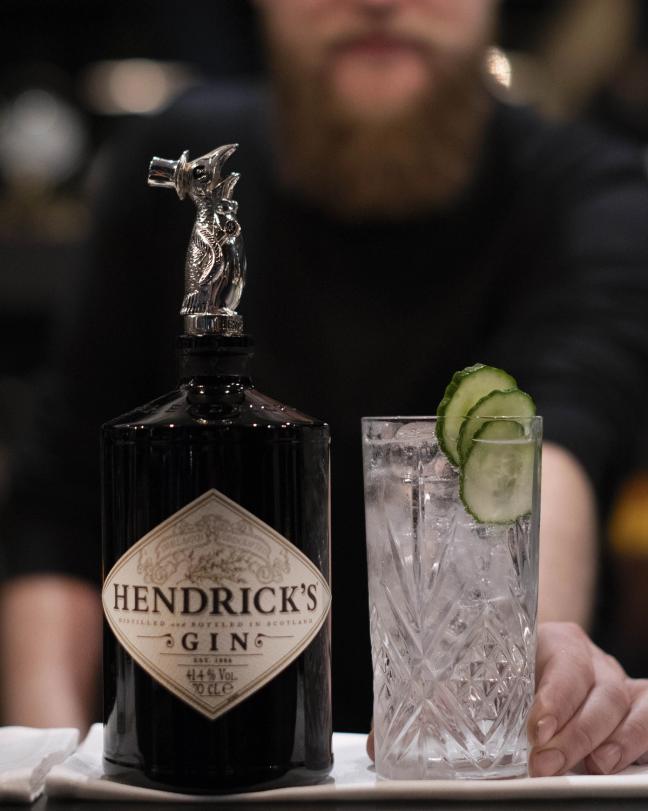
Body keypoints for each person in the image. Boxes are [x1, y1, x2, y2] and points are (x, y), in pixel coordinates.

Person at [3, 0, 648, 778]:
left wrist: (531, 652)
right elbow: (61, 510)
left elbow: (554, 437)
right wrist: (52, 771)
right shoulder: (177, 165)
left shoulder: (591, 190)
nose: (378, 2)